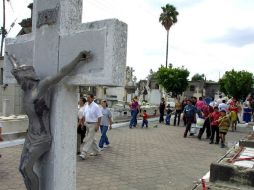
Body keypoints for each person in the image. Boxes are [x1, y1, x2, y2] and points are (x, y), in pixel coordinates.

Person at [6, 51, 90, 190]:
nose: (19, 82)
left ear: (28, 78)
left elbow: (61, 73)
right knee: (21, 169)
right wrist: (12, 59)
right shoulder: (26, 91)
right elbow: (18, 68)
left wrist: (78, 59)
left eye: (20, 79)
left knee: (27, 168)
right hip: (31, 136)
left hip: (42, 137)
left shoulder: (41, 87)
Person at [79, 94, 103, 160]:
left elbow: (99, 116)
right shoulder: (86, 105)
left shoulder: (96, 106)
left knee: (89, 139)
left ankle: (83, 153)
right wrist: (83, 124)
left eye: (89, 98)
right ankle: (97, 151)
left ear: (92, 98)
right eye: (87, 97)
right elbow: (84, 115)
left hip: (93, 124)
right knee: (92, 138)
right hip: (87, 124)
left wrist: (98, 125)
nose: (87, 99)